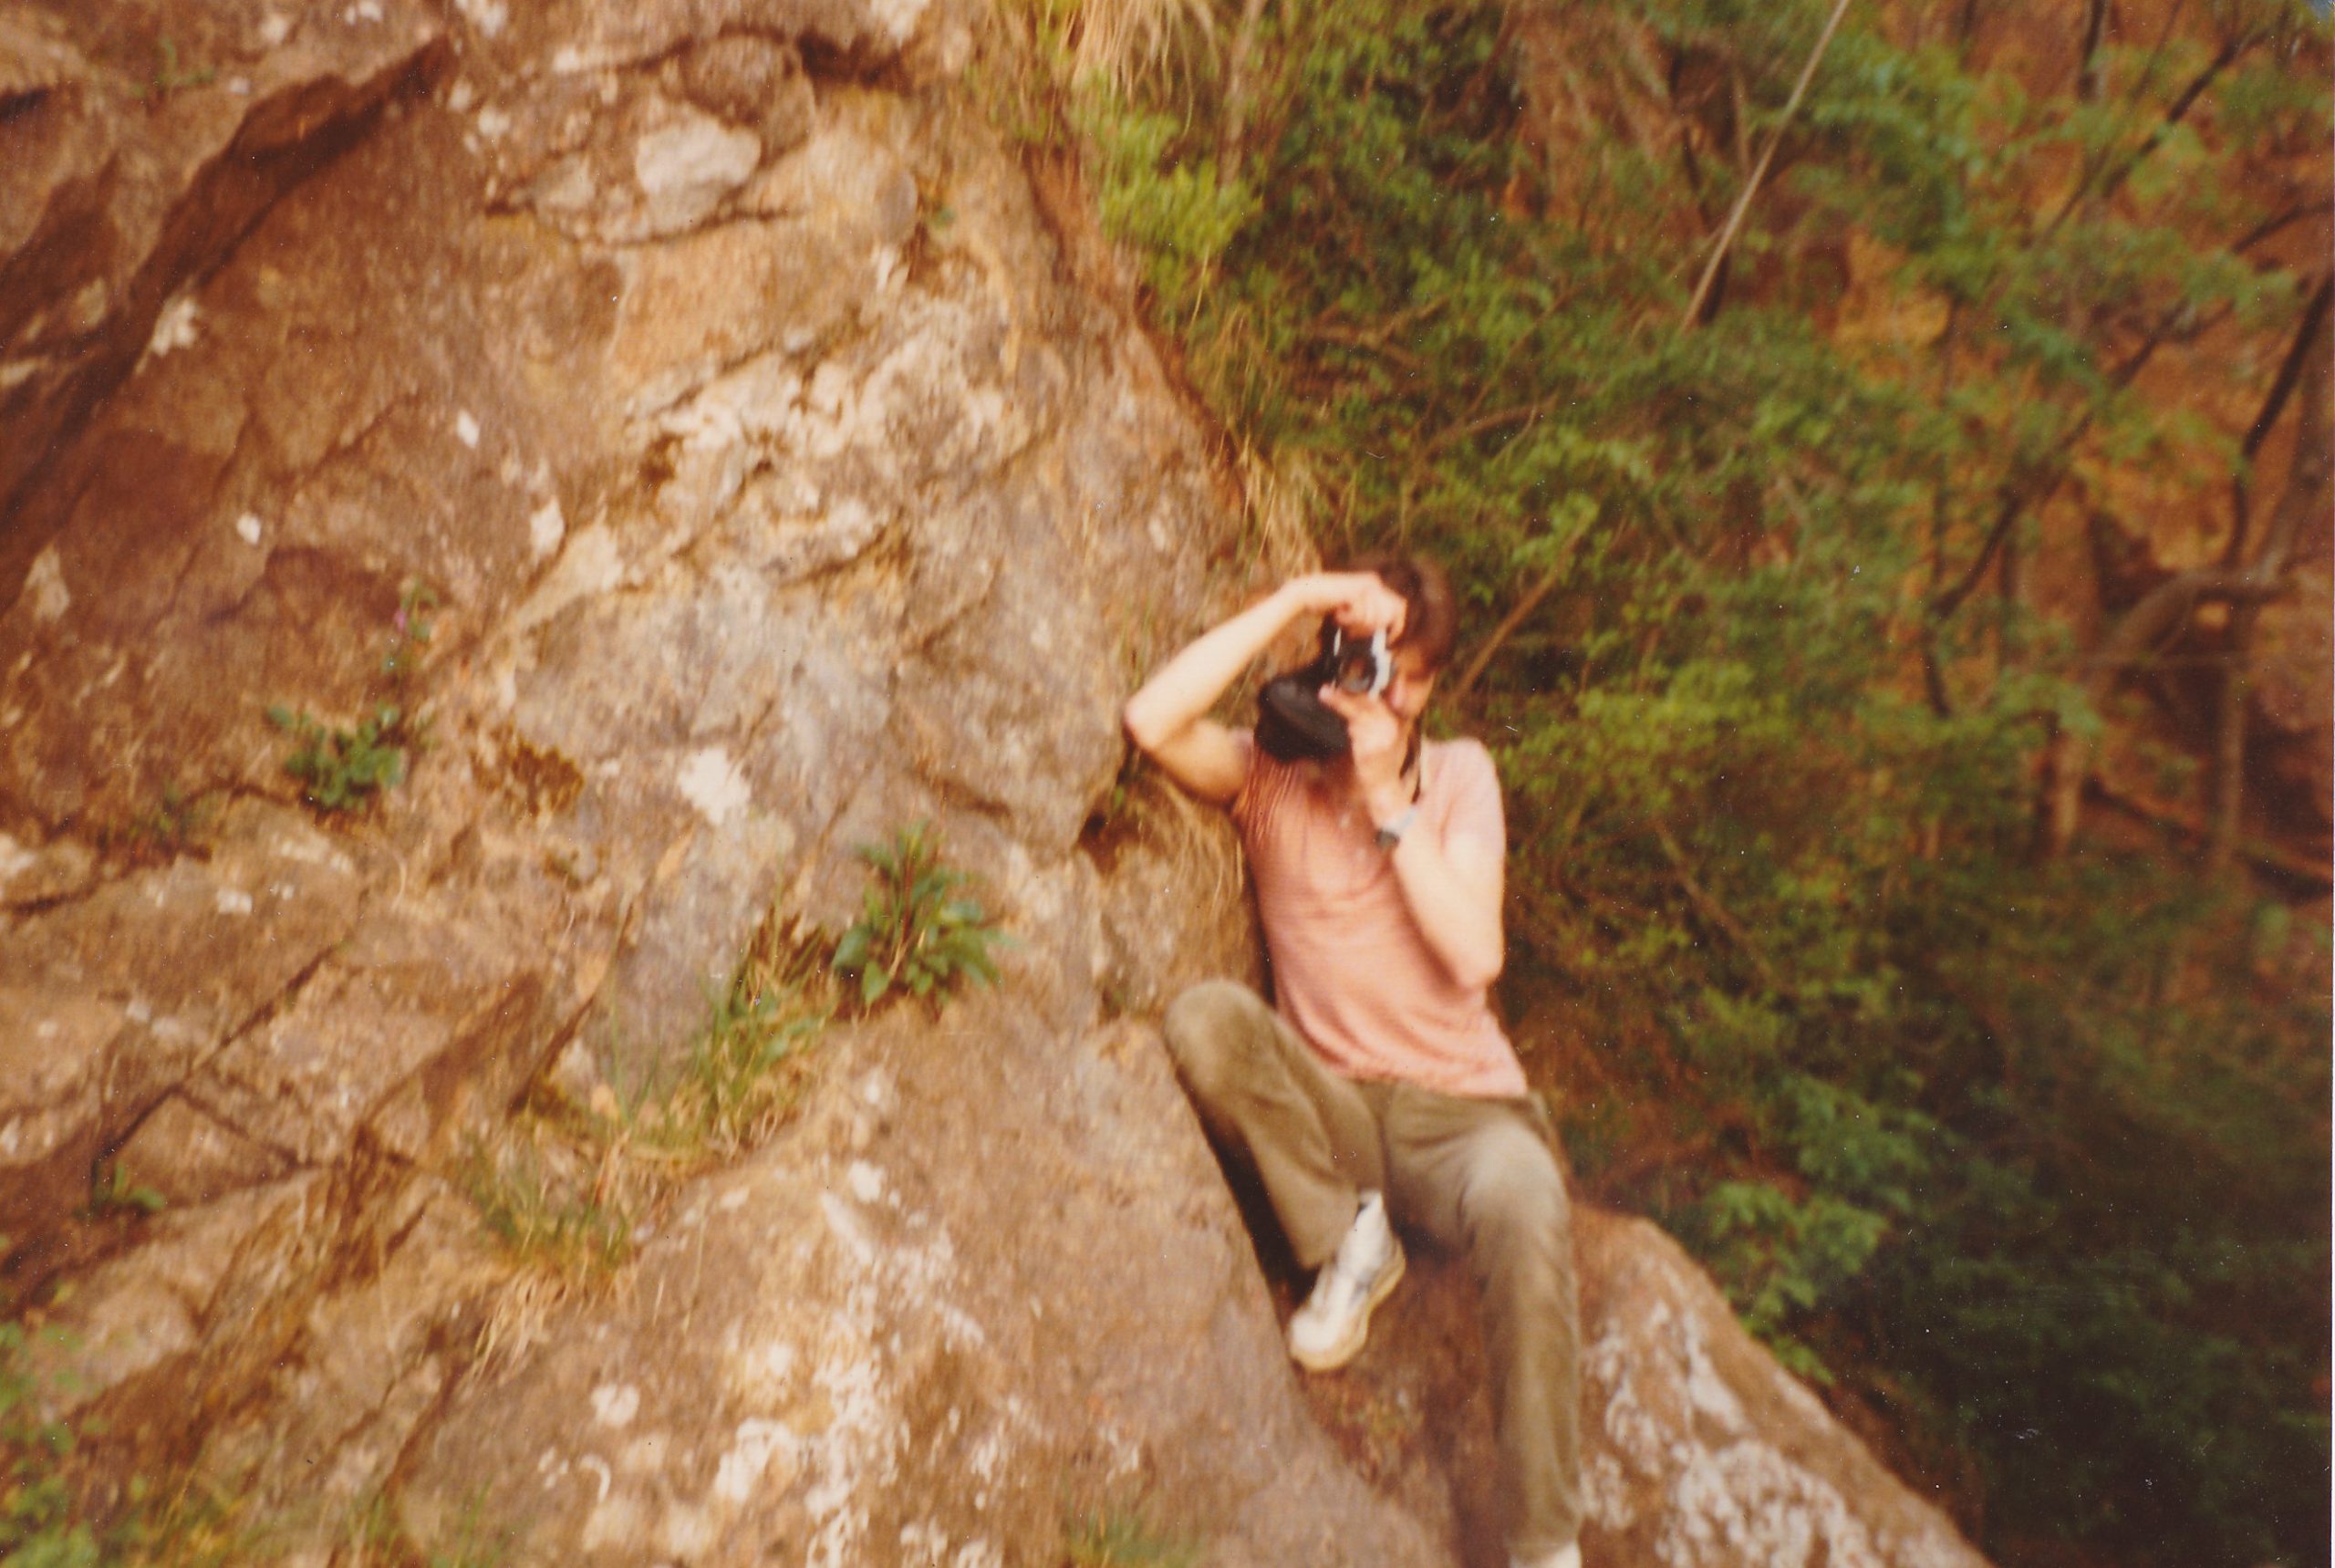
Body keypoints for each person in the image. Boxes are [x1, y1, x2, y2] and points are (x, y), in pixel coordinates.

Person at [1122, 558, 1584, 1568]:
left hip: (1463, 1117)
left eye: (1405, 676)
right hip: (1339, 1114)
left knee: (1524, 1197)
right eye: (1368, 665)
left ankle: (1545, 1544)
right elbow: (1150, 722)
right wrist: (1298, 598)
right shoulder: (1268, 774)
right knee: (1205, 1018)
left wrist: (1386, 801)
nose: (1384, 693)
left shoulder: (1459, 777)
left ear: (1427, 686)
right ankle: (1349, 1240)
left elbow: (1476, 954)